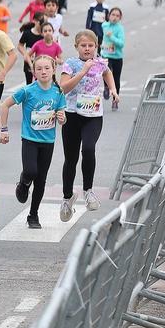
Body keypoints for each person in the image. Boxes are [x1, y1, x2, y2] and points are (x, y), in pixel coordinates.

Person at [0, 56, 67, 229]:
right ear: (34, 72)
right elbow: (4, 105)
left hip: (48, 141)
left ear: (53, 70)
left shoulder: (58, 92)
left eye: (47, 68)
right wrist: (4, 129)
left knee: (41, 180)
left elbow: (62, 115)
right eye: (39, 69)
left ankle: (33, 214)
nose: (43, 72)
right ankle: (23, 183)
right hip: (29, 139)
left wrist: (62, 117)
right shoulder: (28, 91)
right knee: (31, 171)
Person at [58, 30, 119, 220]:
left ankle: (88, 190)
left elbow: (107, 73)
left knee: (89, 148)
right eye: (83, 45)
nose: (87, 49)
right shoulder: (70, 64)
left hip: (93, 115)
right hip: (72, 115)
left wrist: (113, 90)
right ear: (76, 47)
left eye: (90, 45)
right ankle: (67, 198)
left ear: (96, 46)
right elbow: (64, 87)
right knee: (71, 158)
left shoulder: (101, 62)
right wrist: (83, 71)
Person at [101, 7, 125, 107]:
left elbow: (121, 44)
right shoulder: (104, 25)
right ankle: (106, 87)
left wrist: (112, 37)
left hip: (117, 57)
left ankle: (115, 99)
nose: (114, 17)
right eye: (113, 15)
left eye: (117, 16)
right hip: (106, 55)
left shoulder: (120, 28)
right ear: (108, 16)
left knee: (116, 79)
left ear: (120, 18)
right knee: (106, 71)